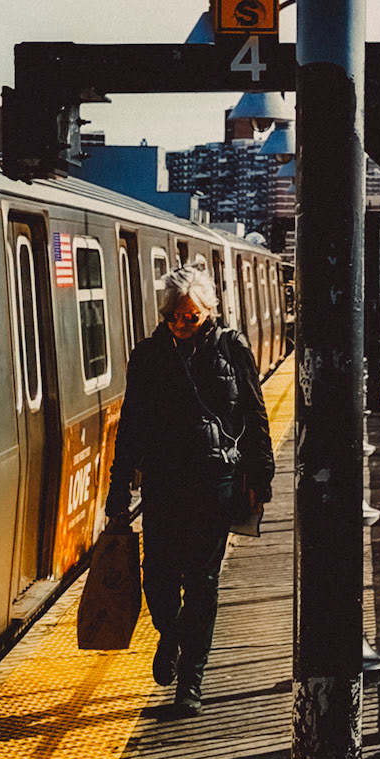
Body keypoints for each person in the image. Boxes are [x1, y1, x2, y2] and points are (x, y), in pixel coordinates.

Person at [105, 264, 274, 715]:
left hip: (214, 481)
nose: (181, 324)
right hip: (162, 484)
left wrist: (262, 476)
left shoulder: (231, 348)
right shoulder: (147, 356)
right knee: (158, 579)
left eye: (191, 316)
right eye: (173, 317)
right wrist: (118, 488)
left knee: (201, 580)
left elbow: (255, 414)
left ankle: (191, 684)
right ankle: (171, 636)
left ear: (209, 312)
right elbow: (131, 426)